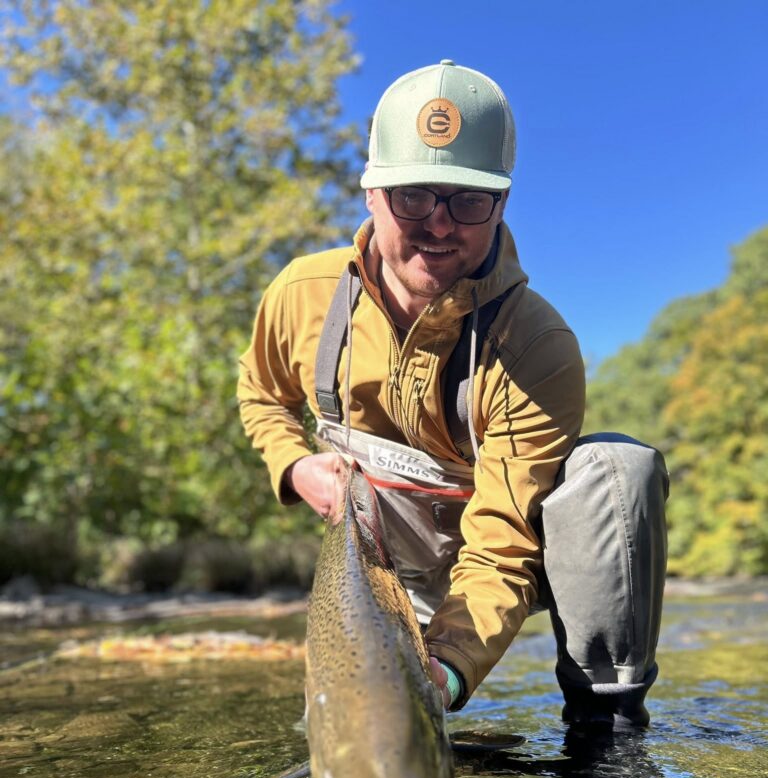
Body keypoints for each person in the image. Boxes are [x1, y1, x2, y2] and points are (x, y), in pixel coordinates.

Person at [238, 60, 668, 730]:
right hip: (379, 569)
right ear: (371, 193)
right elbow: (262, 396)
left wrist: (443, 673)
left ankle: (605, 735)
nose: (439, 225)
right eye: (413, 195)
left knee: (615, 473)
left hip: (507, 564)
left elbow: (502, 541)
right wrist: (293, 468)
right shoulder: (302, 296)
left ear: (501, 203)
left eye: (468, 201)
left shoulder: (538, 345)